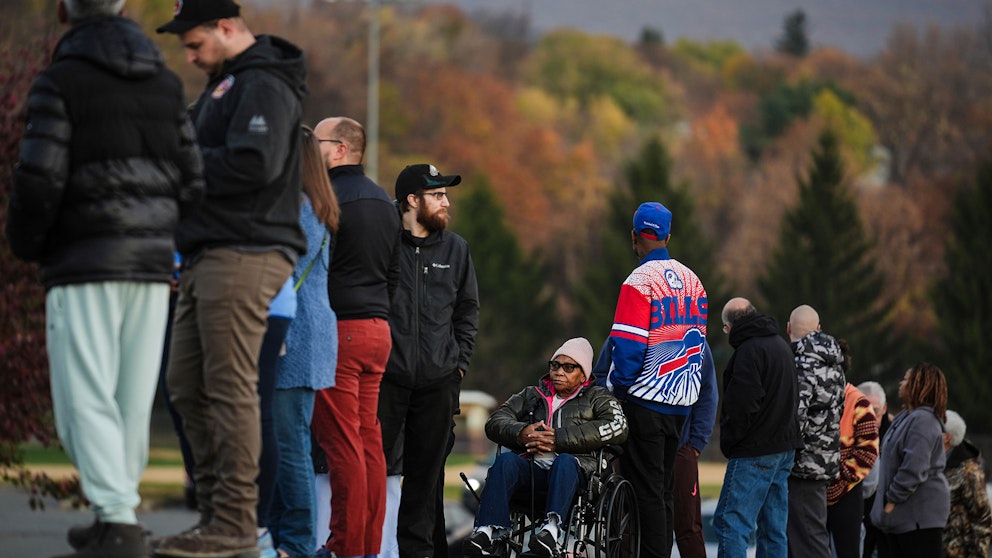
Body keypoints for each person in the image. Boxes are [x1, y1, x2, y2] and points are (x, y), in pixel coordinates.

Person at [5, 0, 204, 556]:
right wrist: (167, 235)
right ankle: (113, 512)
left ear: (68, 11)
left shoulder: (60, 81)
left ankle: (116, 520)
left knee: (82, 395)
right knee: (130, 399)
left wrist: (27, 243)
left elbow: (39, 176)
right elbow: (192, 179)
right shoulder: (164, 84)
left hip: (83, 258)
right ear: (122, 10)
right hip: (148, 261)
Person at [155, 0, 307, 555]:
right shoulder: (227, 84)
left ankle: (237, 525)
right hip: (205, 253)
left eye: (194, 43)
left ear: (225, 27)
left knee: (229, 391)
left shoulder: (262, 82)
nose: (189, 56)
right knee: (185, 387)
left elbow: (253, 163)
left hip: (245, 250)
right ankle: (215, 515)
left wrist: (177, 165)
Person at [379, 163, 480, 558]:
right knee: (379, 476)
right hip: (388, 381)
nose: (446, 202)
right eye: (438, 195)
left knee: (424, 484)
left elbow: (467, 311)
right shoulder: (384, 243)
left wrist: (458, 366)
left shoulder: (456, 248)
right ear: (412, 201)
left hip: (438, 384)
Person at [309, 116, 400, 558]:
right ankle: (367, 547)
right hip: (378, 331)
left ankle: (343, 545)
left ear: (341, 149)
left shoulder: (326, 198)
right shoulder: (385, 202)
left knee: (342, 444)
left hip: (339, 330)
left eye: (318, 142)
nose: (313, 150)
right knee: (368, 441)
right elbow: (396, 275)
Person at [603, 201, 708, 558]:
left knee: (645, 492)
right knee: (662, 491)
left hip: (644, 400)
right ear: (667, 235)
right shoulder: (694, 282)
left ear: (634, 236)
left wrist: (619, 386)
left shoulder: (637, 281)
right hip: (681, 404)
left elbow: (628, 346)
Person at [464, 338, 629, 557]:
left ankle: (550, 532)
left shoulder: (597, 398)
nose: (559, 371)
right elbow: (495, 421)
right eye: (555, 365)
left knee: (564, 461)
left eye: (568, 367)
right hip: (534, 470)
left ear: (584, 374)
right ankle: (485, 533)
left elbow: (619, 426)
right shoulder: (531, 394)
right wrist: (522, 433)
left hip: (578, 474)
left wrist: (558, 439)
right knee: (505, 461)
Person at [265, 126, 341, 558]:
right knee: (285, 439)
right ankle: (281, 537)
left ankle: (296, 541)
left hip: (296, 335)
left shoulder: (300, 207)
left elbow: (281, 270)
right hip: (308, 332)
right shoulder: (316, 204)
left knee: (289, 442)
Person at [714, 297, 801, 558]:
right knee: (773, 529)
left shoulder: (748, 352)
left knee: (731, 523)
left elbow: (742, 406)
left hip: (755, 451)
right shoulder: (780, 346)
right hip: (784, 448)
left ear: (730, 326)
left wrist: (730, 442)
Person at [869, 363, 950, 558]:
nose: (901, 383)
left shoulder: (924, 420)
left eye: (906, 379)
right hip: (901, 520)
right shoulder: (906, 416)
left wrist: (891, 502)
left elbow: (914, 468)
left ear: (919, 385)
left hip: (919, 520)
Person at [786, 305, 846, 558]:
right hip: (826, 459)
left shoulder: (800, 365)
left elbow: (795, 418)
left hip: (804, 463)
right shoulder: (835, 364)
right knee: (813, 533)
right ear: (819, 328)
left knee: (808, 538)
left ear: (788, 329)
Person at [673, 341, 718, 558]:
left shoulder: (696, 340)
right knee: (638, 523)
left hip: (681, 448)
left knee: (688, 525)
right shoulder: (632, 330)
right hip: (639, 448)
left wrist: (696, 444)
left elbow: (708, 393)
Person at [826, 382, 878, 558]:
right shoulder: (810, 393)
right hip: (813, 489)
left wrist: (838, 474)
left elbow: (868, 452)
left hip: (847, 489)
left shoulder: (858, 402)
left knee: (848, 552)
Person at [940, 410, 992, 558]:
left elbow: (982, 519)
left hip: (958, 552)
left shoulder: (969, 472)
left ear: (947, 437)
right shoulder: (933, 464)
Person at [859, 379, 892, 558]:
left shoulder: (893, 434)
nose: (870, 417)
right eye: (865, 411)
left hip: (884, 517)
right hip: (859, 512)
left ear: (885, 408)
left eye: (876, 411)